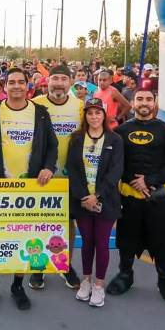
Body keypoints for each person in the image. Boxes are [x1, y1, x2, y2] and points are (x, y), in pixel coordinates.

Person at [0, 68, 57, 311]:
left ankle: (18, 285)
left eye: (21, 82)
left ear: (28, 85)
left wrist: (48, 167)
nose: (17, 86)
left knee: (24, 238)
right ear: (5, 86)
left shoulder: (40, 113)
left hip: (29, 189)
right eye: (12, 82)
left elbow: (52, 146)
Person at [107, 89, 165, 303]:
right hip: (129, 197)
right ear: (133, 103)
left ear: (155, 103)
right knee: (127, 238)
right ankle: (125, 274)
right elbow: (114, 163)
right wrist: (133, 181)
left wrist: (151, 180)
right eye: (140, 99)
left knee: (162, 240)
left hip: (159, 198)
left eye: (148, 99)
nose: (144, 103)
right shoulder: (121, 132)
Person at [66, 98, 123, 308]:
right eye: (90, 113)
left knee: (102, 242)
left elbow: (116, 171)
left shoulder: (115, 140)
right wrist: (83, 197)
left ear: (104, 115)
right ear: (85, 116)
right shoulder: (76, 138)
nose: (94, 117)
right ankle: (86, 280)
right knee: (87, 242)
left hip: (105, 201)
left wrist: (96, 196)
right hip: (82, 201)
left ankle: (99, 285)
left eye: (98, 113)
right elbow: (72, 169)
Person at [32, 65, 84, 290]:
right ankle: (38, 266)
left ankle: (65, 265)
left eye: (64, 79)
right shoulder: (36, 104)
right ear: (48, 81)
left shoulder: (80, 106)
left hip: (70, 176)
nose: (59, 83)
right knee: (39, 222)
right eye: (55, 78)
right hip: (42, 174)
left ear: (70, 82)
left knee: (68, 222)